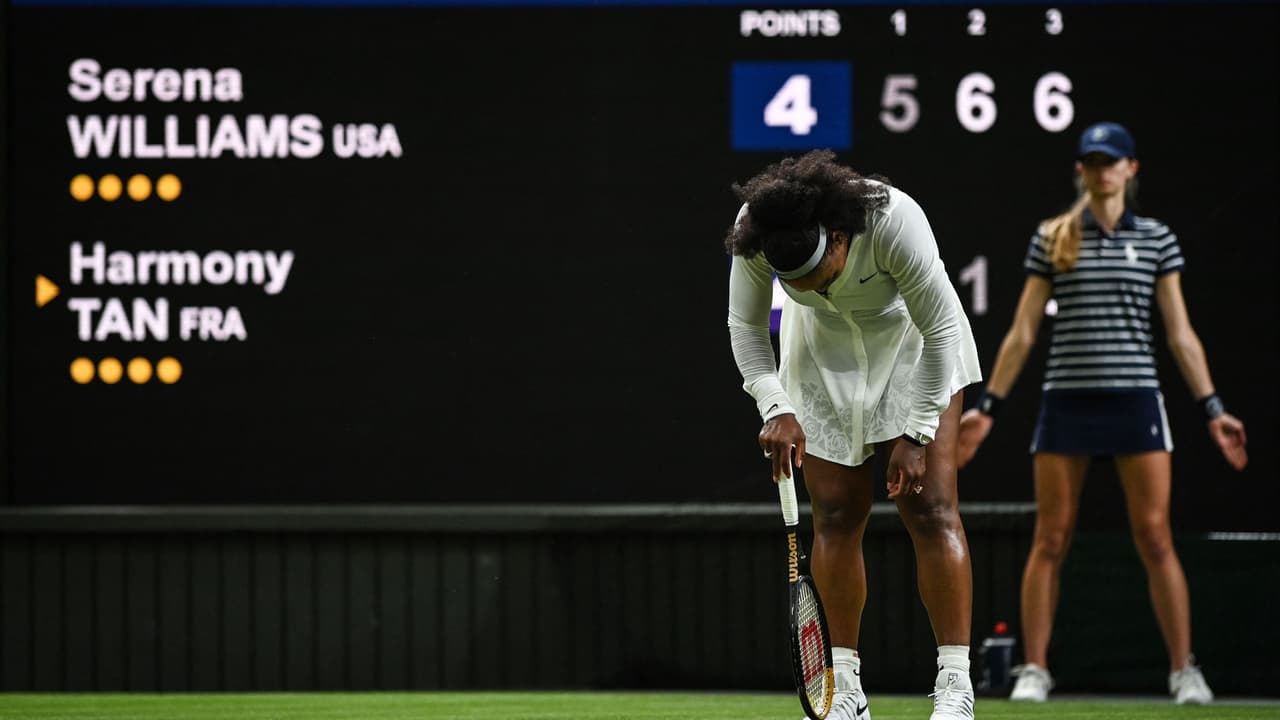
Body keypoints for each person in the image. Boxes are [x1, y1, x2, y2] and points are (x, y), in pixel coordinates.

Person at [955, 121, 1248, 705]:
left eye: (1112, 161)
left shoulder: (1158, 239)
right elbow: (1022, 332)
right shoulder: (1053, 237)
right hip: (1066, 402)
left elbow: (1180, 333)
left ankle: (1183, 670)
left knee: (1155, 536)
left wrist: (1213, 408)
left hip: (1136, 401)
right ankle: (1035, 669)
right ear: (1080, 171)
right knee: (1051, 537)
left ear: (1131, 169)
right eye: (1092, 162)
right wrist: (987, 408)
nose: (1102, 171)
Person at [724, 149, 984, 720]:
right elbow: (745, 326)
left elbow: (942, 329)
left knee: (932, 509)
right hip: (820, 355)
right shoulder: (758, 229)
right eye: (797, 285)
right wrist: (775, 406)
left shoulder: (893, 219)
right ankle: (844, 689)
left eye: (819, 278)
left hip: (915, 347)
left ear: (839, 239)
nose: (813, 290)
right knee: (837, 515)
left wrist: (917, 432)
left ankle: (955, 686)